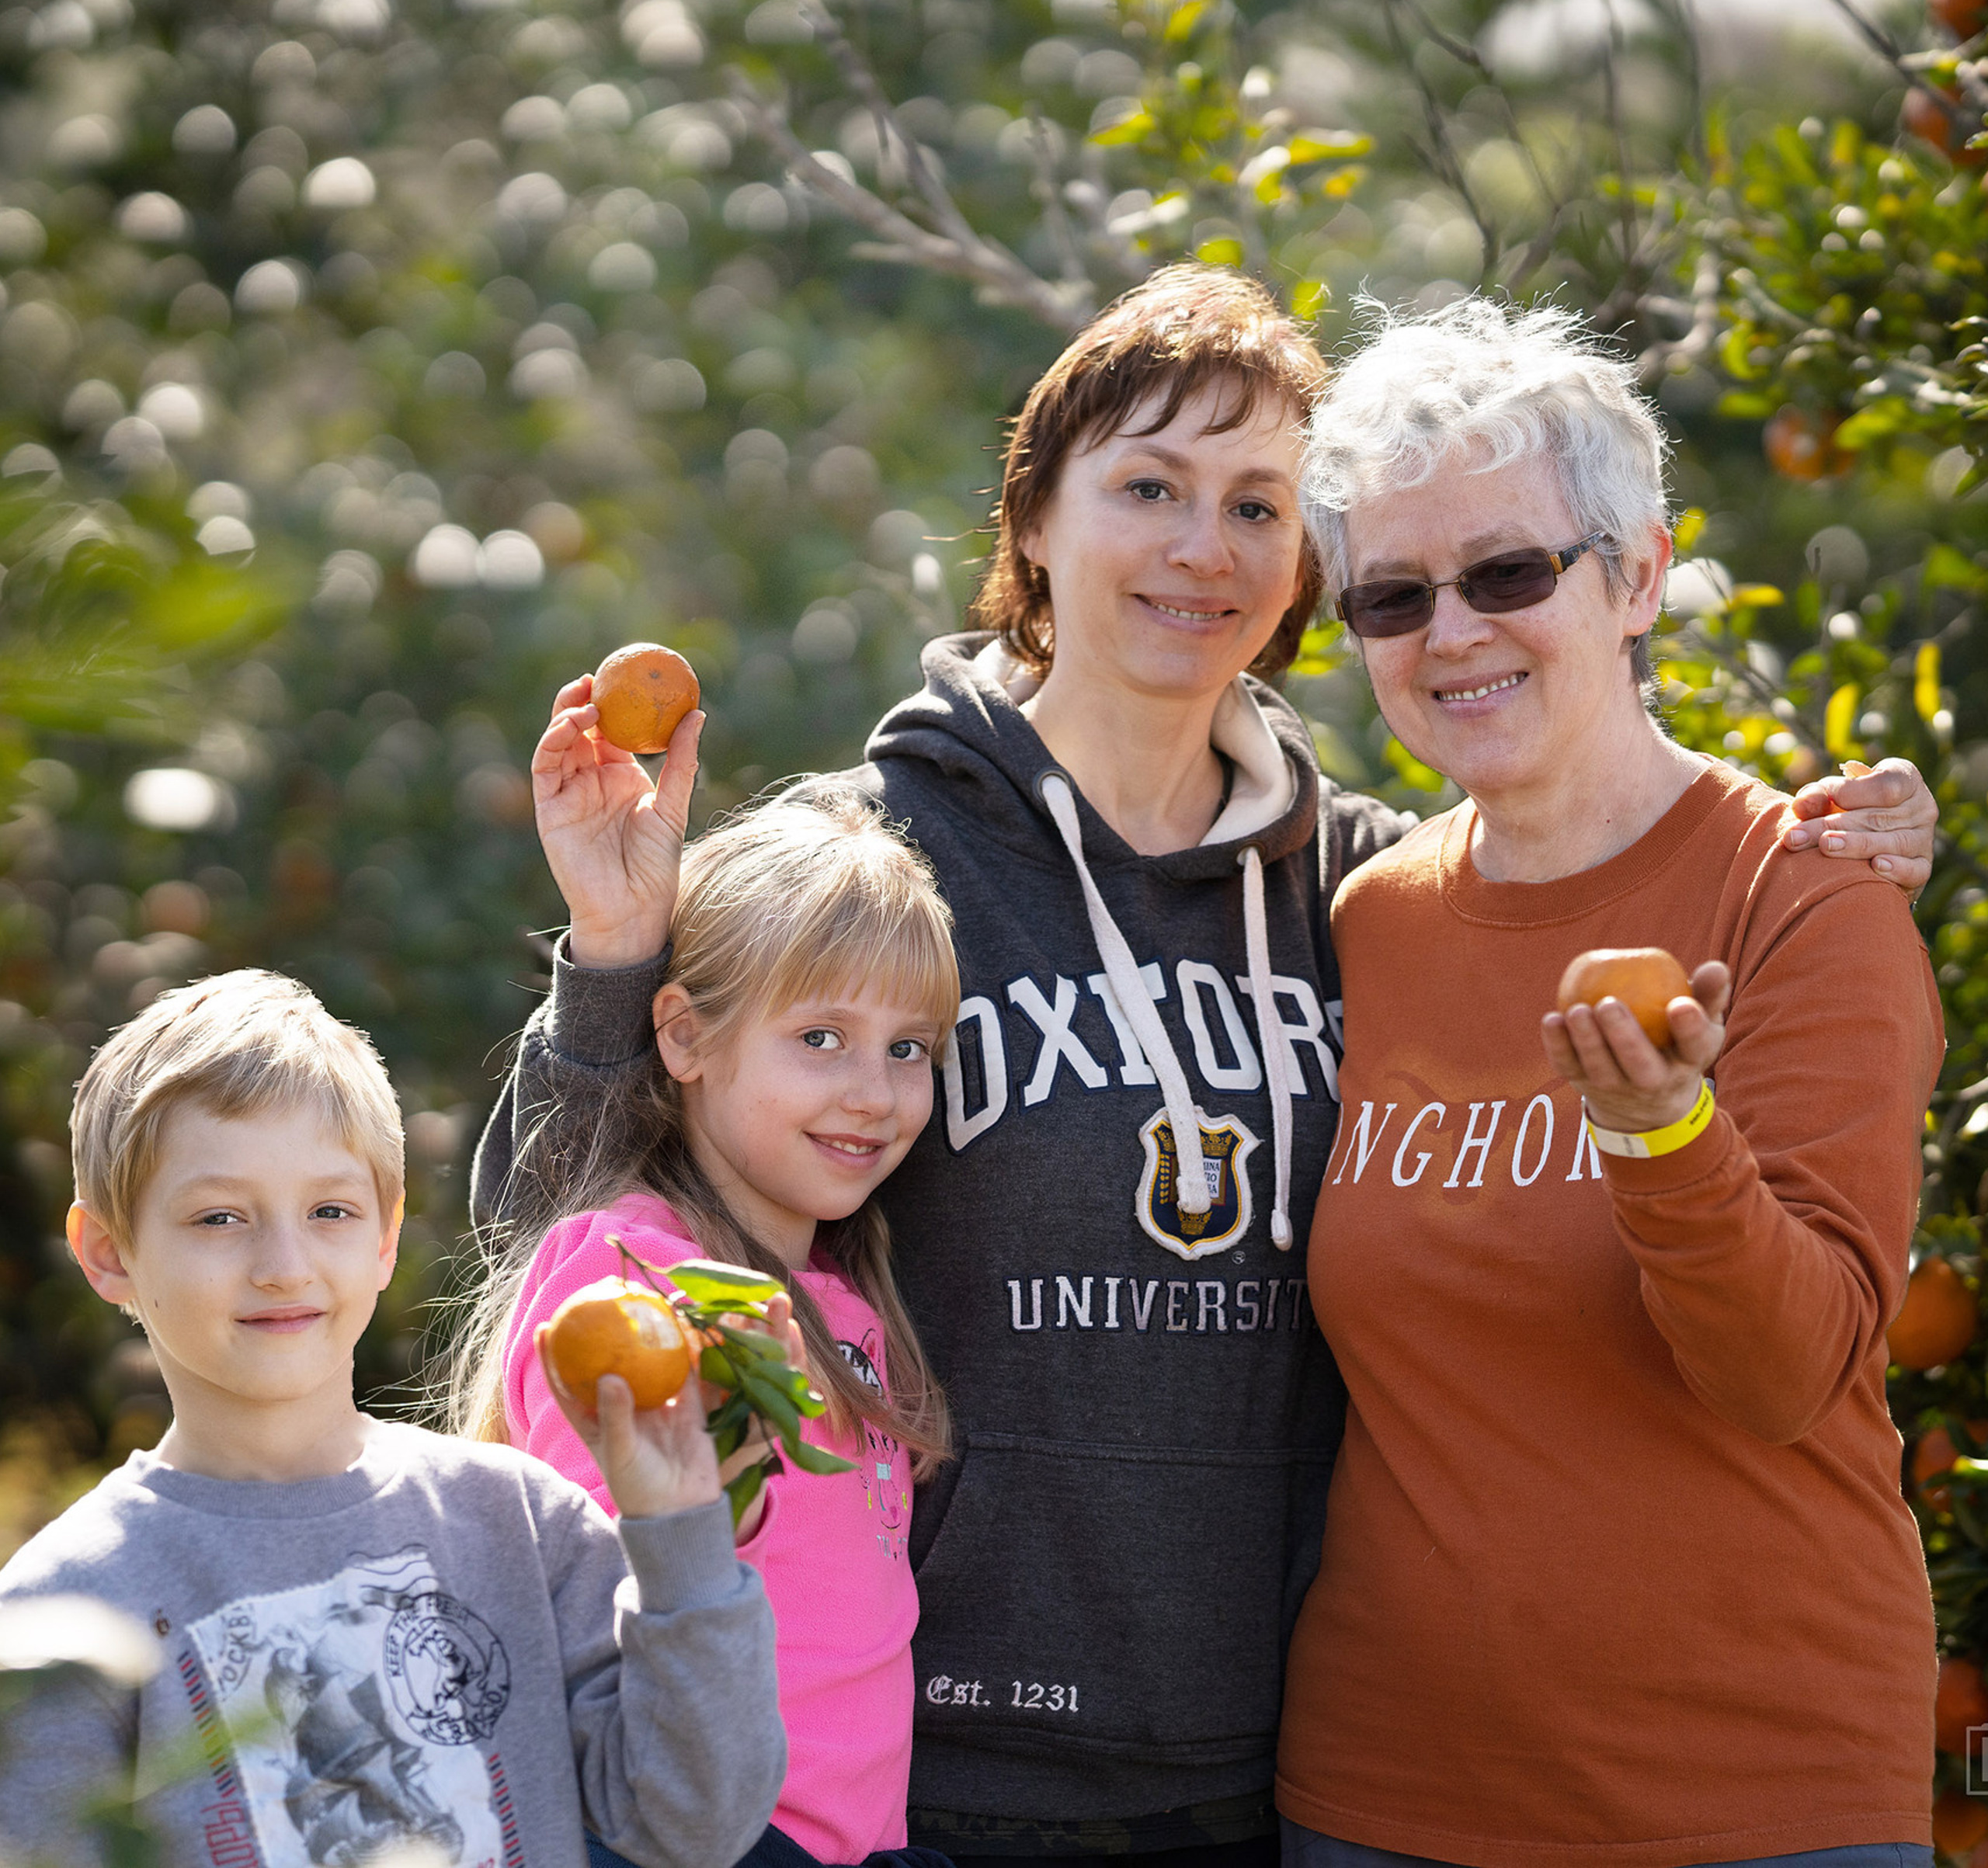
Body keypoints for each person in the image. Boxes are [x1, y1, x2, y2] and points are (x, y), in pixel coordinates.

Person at [468, 266, 1940, 1868]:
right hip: (940, 1750)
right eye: (1147, 488)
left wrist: (1829, 842)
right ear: (1033, 520)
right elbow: (562, 1249)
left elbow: (1594, 866)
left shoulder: (1352, 890)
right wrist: (615, 954)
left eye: (1256, 505)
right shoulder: (873, 865)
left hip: (1268, 1762)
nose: (1201, 546)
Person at [1275, 299, 1942, 1868]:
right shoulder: (1369, 918)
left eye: (1508, 572)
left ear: (1636, 573)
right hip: (1375, 1802)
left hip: (1750, 1802)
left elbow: (1785, 1372)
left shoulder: (1803, 896)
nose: (1450, 633)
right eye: (1390, 595)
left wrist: (1665, 1133)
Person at [0, 968, 785, 1868]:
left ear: (385, 1236)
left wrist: (683, 1536)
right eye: (220, 1217)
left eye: (330, 1210)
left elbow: (697, 1825)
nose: (284, 1264)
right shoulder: (63, 1608)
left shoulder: (522, 1526)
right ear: (109, 1253)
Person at [450, 791, 960, 1868]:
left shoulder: (848, 1298)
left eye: (909, 1048)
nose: (874, 1093)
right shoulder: (628, 1278)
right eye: (821, 1038)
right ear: (684, 1035)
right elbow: (592, 1612)